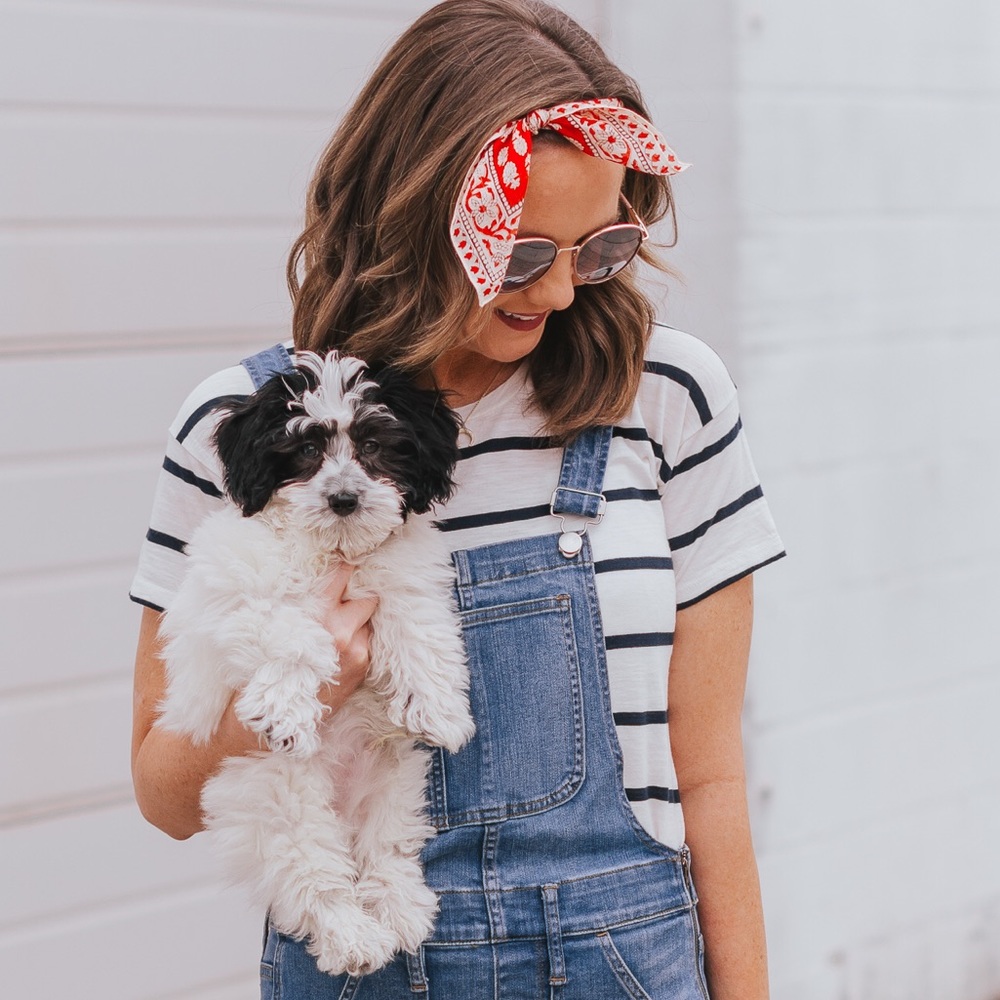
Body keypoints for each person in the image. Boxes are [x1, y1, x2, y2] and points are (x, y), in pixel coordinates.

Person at [130, 1, 785, 997]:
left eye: (597, 247)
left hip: (622, 967)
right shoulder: (245, 427)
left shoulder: (663, 398)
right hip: (360, 959)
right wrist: (303, 687)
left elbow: (710, 778)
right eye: (521, 254)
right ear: (414, 216)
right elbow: (166, 795)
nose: (561, 293)